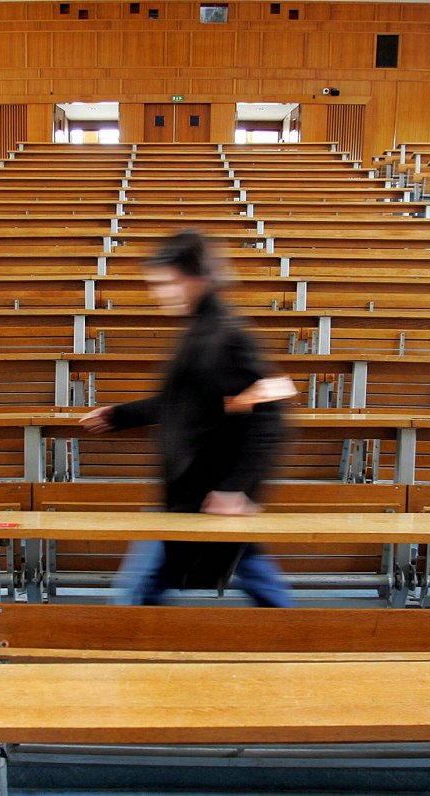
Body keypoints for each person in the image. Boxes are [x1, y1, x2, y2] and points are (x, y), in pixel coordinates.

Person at [80, 229, 296, 608]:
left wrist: (235, 489)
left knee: (139, 590)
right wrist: (119, 415)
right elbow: (183, 402)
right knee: (251, 574)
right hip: (195, 490)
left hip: (208, 492)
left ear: (195, 280)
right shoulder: (201, 329)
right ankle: (303, 643)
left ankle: (305, 645)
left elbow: (271, 414)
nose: (159, 292)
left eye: (167, 282)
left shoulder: (227, 335)